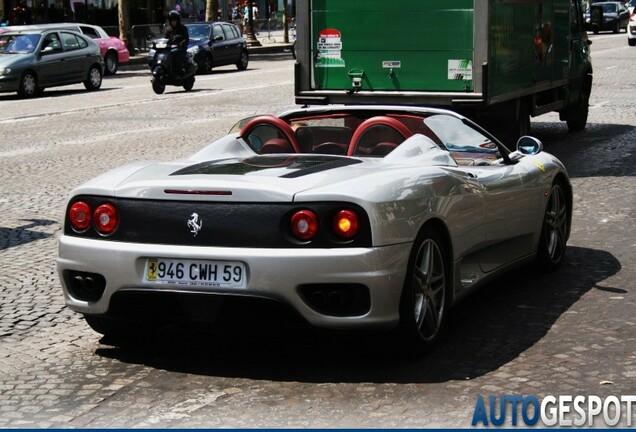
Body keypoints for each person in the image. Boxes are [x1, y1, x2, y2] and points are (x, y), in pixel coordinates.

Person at [164, 9, 189, 75]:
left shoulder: (183, 28)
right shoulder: (169, 30)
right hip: (170, 47)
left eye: (174, 20)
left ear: (177, 20)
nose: (173, 22)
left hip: (180, 48)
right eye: (171, 20)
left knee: (174, 53)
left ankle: (181, 69)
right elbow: (165, 39)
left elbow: (186, 39)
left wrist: (180, 44)